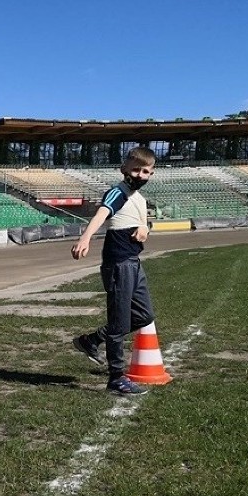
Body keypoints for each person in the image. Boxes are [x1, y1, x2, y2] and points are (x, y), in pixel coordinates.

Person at [70, 146, 157, 396]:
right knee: (119, 323)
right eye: (135, 170)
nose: (140, 175)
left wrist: (145, 229)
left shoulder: (137, 198)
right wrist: (85, 238)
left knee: (143, 316)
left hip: (133, 262)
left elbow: (140, 221)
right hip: (119, 264)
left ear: (151, 174)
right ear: (123, 169)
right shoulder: (118, 192)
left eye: (145, 171)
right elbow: (103, 213)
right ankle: (116, 378)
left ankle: (92, 340)